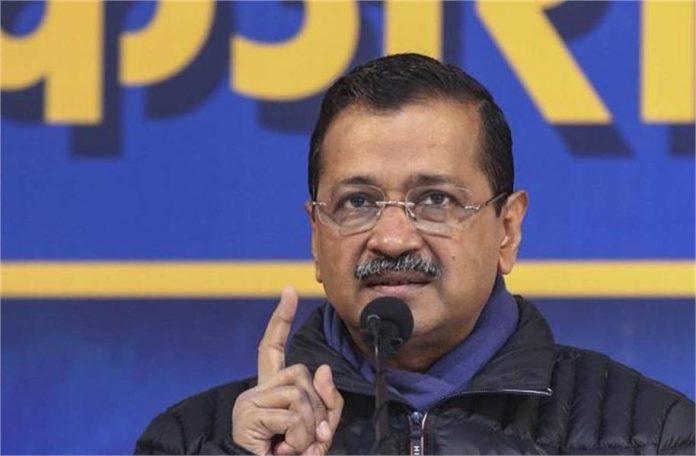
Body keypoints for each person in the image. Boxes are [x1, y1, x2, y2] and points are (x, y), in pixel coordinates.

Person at [135, 54, 695, 455]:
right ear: (316, 235)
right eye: (358, 202)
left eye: (435, 200)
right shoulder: (193, 440)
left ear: (507, 230)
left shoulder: (655, 435)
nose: (393, 238)